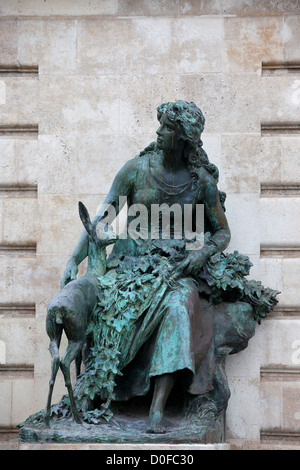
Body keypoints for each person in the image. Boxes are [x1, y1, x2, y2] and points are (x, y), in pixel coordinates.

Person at [61, 100, 231, 433]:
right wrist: (73, 259)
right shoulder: (135, 171)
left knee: (180, 306)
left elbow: (222, 231)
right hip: (128, 265)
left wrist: (203, 252)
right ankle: (95, 393)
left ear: (182, 137)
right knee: (107, 303)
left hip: (178, 268)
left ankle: (158, 407)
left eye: (166, 127)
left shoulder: (200, 183)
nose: (158, 131)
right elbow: (101, 220)